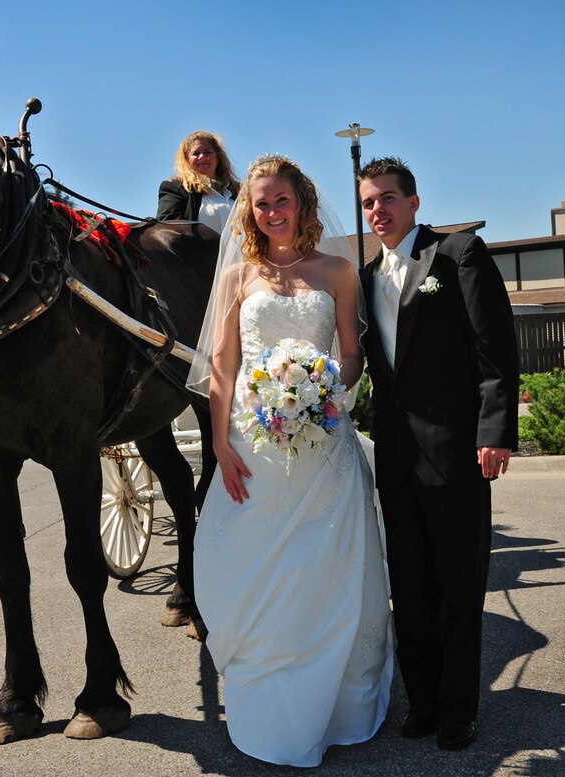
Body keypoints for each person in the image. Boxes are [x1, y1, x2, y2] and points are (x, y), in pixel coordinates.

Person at [189, 154, 394, 767]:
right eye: (261, 203)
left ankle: (334, 707)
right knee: (250, 570)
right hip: (251, 447)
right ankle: (268, 706)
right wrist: (222, 443)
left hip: (323, 442)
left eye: (282, 200)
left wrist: (324, 384)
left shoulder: (338, 271)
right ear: (248, 212)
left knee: (322, 571)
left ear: (301, 202)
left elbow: (354, 355)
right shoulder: (237, 279)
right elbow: (223, 365)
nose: (272, 212)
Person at [357, 157, 519, 751]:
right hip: (395, 458)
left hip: (458, 454)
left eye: (389, 198)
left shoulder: (457, 255)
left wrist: (495, 430)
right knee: (412, 592)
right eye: (370, 201)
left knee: (459, 588)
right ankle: (421, 704)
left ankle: (457, 712)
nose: (379, 210)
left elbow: (493, 348)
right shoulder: (366, 276)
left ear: (415, 202)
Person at [156, 131, 240, 234]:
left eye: (208, 152)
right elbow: (166, 229)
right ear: (187, 159)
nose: (202, 156)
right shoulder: (175, 188)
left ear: (218, 157)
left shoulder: (238, 191)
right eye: (196, 153)